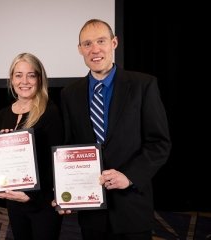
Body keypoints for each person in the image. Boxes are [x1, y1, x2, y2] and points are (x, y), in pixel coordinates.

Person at [55, 19, 171, 240]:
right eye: (87, 44)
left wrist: (129, 176)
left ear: (114, 43)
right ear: (80, 49)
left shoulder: (143, 85)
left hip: (132, 207)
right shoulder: (70, 94)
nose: (95, 49)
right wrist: (65, 193)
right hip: (91, 209)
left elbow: (159, 143)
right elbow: (69, 147)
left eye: (101, 41)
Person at [0, 53, 63, 240]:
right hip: (14, 201)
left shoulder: (50, 112)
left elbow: (56, 162)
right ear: (11, 79)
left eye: (31, 75)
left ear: (39, 78)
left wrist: (32, 196)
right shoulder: (3, 114)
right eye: (18, 75)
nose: (25, 81)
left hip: (42, 202)